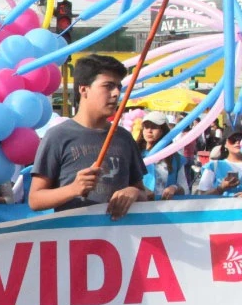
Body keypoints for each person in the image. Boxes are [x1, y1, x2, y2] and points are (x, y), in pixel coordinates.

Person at [29, 55, 148, 219]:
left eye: (118, 87)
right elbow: (35, 200)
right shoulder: (58, 136)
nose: (115, 94)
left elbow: (145, 193)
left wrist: (134, 192)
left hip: (120, 240)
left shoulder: (124, 138)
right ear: (83, 89)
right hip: (74, 239)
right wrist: (73, 189)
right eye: (108, 86)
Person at [136, 111, 187, 200]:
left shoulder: (176, 158)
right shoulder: (135, 154)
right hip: (138, 208)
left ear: (163, 131)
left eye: (154, 127)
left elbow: (185, 189)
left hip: (165, 209)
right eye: (146, 127)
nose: (149, 131)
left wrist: (174, 188)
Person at [198, 131, 242, 196]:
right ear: (225, 144)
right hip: (221, 205)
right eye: (233, 140)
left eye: (241, 139)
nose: (238, 142)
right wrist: (221, 188)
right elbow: (201, 196)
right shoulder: (214, 166)